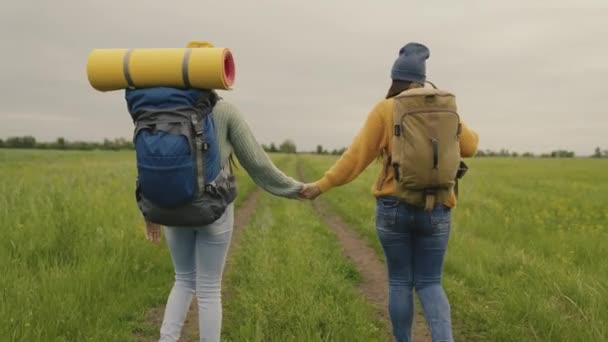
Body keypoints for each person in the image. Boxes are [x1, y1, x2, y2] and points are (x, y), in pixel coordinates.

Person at [300, 42, 479, 342]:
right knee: (430, 282)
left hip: (393, 208)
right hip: (436, 209)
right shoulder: (445, 107)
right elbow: (471, 147)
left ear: (395, 78)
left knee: (399, 282)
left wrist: (322, 185)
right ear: (422, 78)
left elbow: (356, 157)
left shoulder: (386, 108)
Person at [140, 89, 303, 342]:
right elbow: (256, 162)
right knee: (209, 289)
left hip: (172, 206)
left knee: (182, 280)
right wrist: (296, 189)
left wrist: (148, 210)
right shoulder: (224, 110)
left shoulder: (162, 111)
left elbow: (150, 165)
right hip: (214, 210)